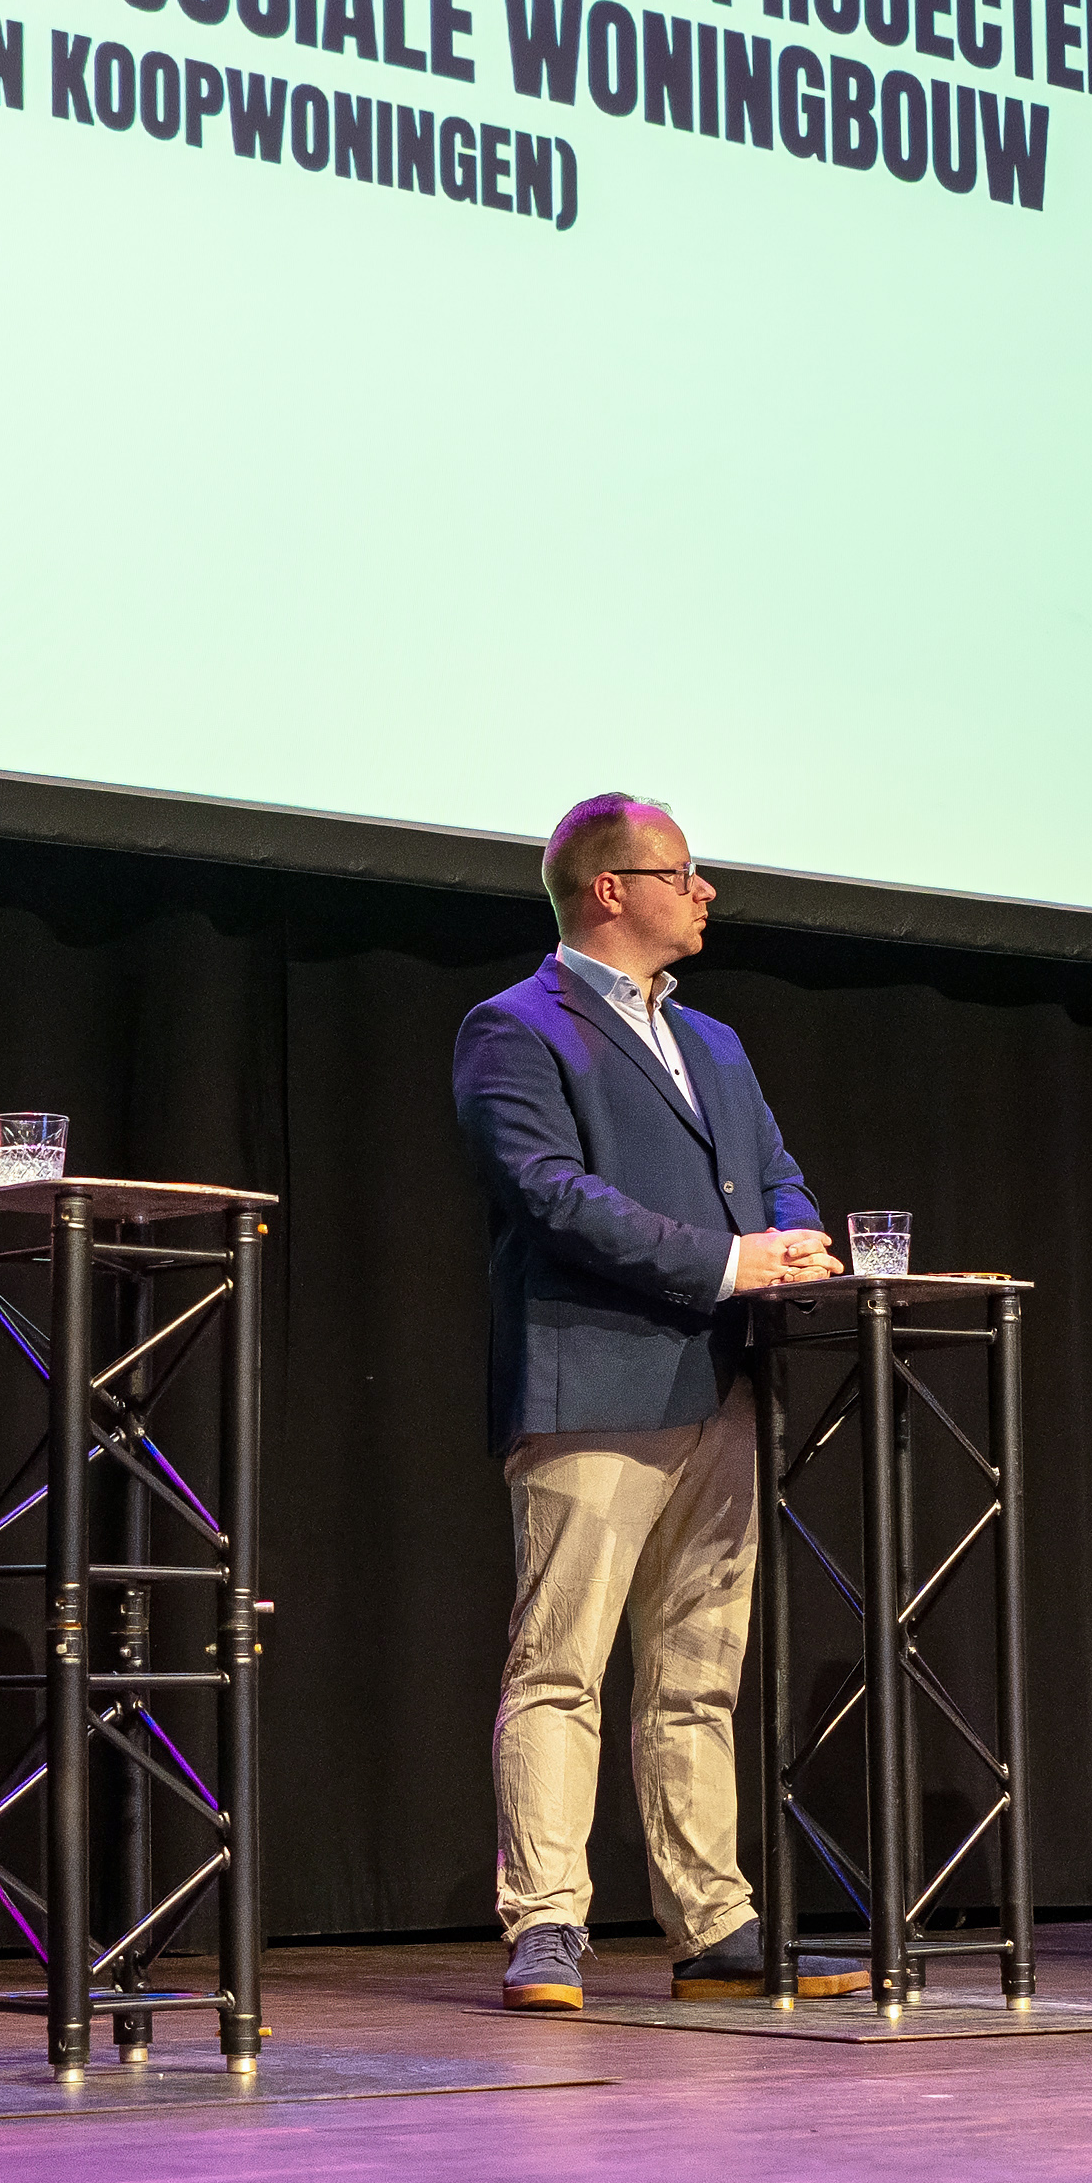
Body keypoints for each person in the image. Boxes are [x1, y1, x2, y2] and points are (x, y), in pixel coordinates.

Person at [451, 795, 861, 2011]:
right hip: (592, 1380)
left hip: (721, 1381)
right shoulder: (515, 1027)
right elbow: (549, 1192)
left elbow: (774, 1173)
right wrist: (732, 1262)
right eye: (683, 872)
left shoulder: (717, 1042)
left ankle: (713, 1923)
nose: (705, 892)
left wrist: (794, 1245)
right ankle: (548, 1923)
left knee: (699, 1669)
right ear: (609, 889)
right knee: (560, 1663)